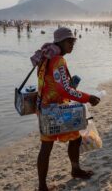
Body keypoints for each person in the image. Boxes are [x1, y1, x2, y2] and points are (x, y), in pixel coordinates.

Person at [36, 27, 100, 191]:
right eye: (68, 41)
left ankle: (45, 184)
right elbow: (64, 90)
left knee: (52, 145)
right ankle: (74, 169)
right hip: (57, 110)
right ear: (60, 42)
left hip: (44, 107)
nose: (72, 44)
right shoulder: (58, 60)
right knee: (69, 139)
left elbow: (49, 83)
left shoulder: (45, 57)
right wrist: (88, 97)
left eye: (73, 41)